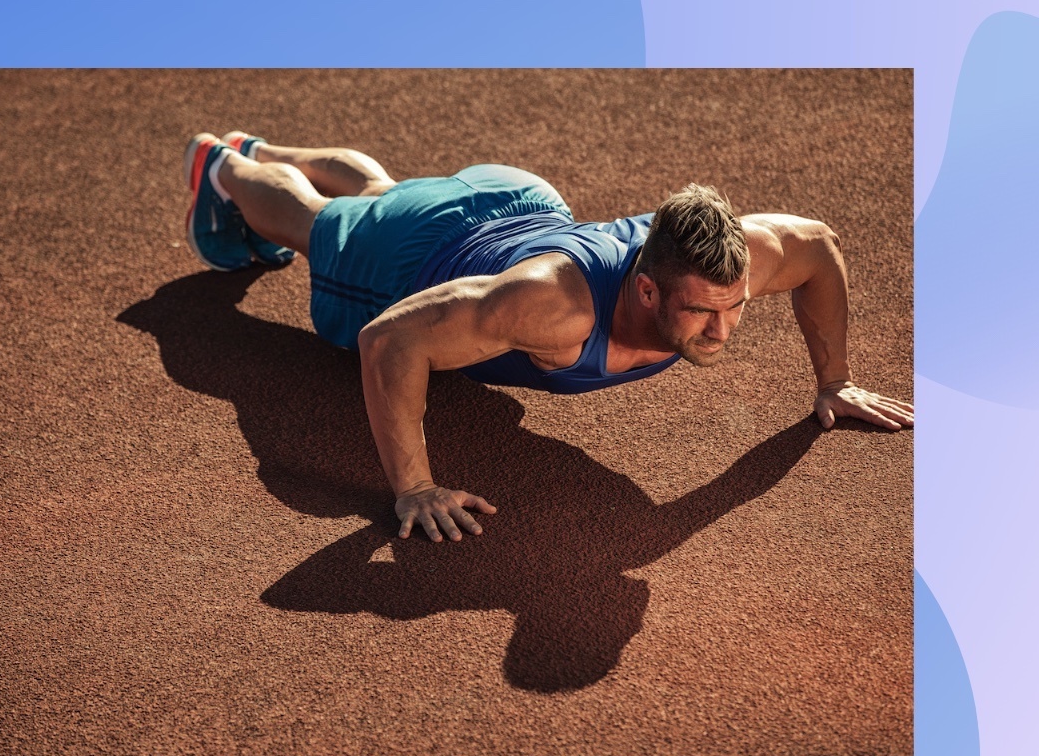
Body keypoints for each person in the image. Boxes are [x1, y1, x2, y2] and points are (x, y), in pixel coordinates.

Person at [182, 131, 914, 544]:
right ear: (648, 288)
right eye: (701, 313)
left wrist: (834, 380)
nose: (722, 330)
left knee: (382, 202)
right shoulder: (557, 309)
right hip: (424, 258)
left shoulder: (734, 259)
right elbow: (388, 341)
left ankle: (270, 149)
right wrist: (415, 488)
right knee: (318, 228)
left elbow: (817, 244)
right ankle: (225, 164)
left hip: (524, 202)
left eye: (736, 307)